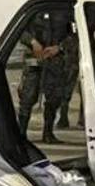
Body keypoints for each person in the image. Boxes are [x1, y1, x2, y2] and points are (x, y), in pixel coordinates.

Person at [17, 9, 72, 144]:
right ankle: (20, 134)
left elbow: (75, 33)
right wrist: (32, 42)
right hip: (34, 59)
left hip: (56, 61)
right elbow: (18, 30)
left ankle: (48, 133)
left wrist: (59, 47)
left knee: (54, 97)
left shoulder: (65, 8)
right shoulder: (34, 6)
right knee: (27, 97)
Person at [56, 30, 81, 130]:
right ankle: (63, 118)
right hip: (67, 66)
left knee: (65, 93)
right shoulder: (68, 39)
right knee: (64, 94)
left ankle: (63, 118)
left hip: (71, 66)